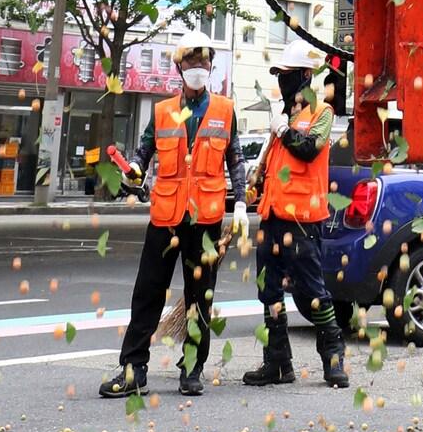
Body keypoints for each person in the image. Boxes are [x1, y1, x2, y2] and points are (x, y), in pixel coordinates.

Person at [98, 42, 247, 399]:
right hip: (166, 215)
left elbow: (236, 158)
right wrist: (134, 168)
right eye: (192, 62)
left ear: (210, 67)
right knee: (147, 291)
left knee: (200, 296)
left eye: (204, 61)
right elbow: (145, 149)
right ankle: (134, 370)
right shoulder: (163, 111)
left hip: (206, 218)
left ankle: (192, 366)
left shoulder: (225, 110)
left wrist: (240, 202)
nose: (199, 67)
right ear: (180, 69)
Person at [243, 38, 348, 390]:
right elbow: (276, 164)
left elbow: (308, 150)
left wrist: (283, 129)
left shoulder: (322, 112)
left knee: (313, 291)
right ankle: (277, 362)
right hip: (272, 216)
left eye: (287, 74)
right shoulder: (282, 115)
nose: (282, 80)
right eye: (279, 74)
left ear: (305, 74)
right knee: (269, 290)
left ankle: (333, 359)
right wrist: (255, 182)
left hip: (303, 219)